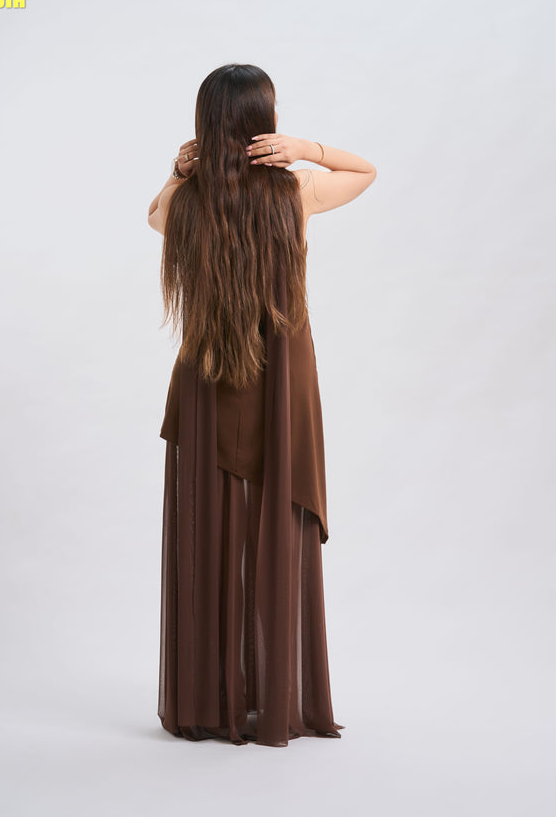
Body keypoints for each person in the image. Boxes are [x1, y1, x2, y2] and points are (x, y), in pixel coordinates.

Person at [148, 64, 376, 747]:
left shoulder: (189, 204)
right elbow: (365, 171)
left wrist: (180, 171)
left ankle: (210, 698)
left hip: (208, 380)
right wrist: (306, 148)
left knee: (211, 533)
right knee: (274, 526)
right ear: (263, 124)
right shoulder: (294, 191)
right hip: (279, 382)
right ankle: (271, 698)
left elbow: (153, 215)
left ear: (205, 125)